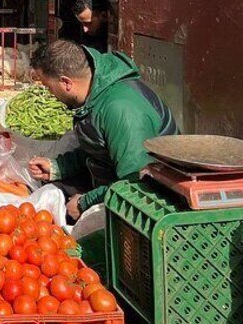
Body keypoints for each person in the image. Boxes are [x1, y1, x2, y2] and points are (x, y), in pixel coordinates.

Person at [27, 39, 178, 221]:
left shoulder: (121, 109)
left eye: (48, 87)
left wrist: (84, 202)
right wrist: (59, 167)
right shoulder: (94, 95)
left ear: (66, 82)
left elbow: (135, 183)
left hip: (152, 204)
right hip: (110, 182)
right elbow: (102, 148)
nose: (49, 94)